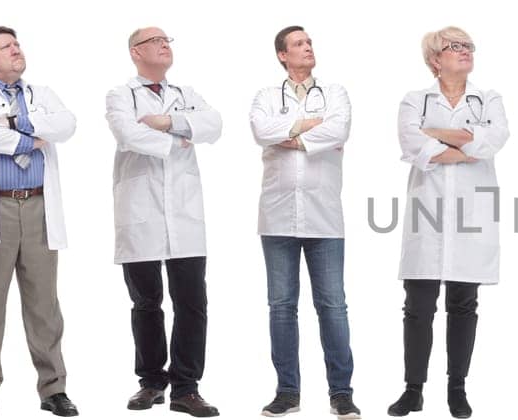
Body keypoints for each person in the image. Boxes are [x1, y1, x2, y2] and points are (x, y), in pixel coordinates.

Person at [0, 25, 79, 417]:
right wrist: (28, 136)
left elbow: (66, 125)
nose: (16, 50)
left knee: (44, 305)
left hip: (39, 207)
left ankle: (53, 389)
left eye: (17, 44)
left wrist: (10, 123)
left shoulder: (40, 94)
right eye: (6, 47)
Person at [387, 26, 509, 420]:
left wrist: (438, 137)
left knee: (464, 304)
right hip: (428, 213)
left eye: (468, 46)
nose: (464, 51)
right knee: (417, 307)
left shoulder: (489, 98)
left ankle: (457, 389)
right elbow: (412, 145)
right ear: (435, 60)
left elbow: (493, 141)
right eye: (454, 47)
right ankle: (413, 390)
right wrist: (464, 144)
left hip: (472, 214)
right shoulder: (414, 100)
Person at [105, 26, 223, 418]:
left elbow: (214, 125)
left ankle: (186, 388)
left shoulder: (186, 94)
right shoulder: (121, 95)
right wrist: (180, 133)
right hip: (140, 214)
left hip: (185, 216)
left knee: (192, 302)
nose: (164, 44)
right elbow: (128, 134)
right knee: (146, 302)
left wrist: (163, 122)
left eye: (167, 40)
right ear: (135, 52)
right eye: (156, 41)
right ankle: (152, 382)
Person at [247, 25, 359, 419]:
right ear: (282, 54)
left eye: (309, 42)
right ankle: (287, 392)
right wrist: (308, 127)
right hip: (277, 216)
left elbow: (339, 128)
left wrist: (289, 135)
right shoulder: (265, 96)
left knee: (333, 306)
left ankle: (341, 393)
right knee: (281, 307)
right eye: (298, 44)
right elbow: (262, 130)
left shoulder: (335, 94)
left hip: (324, 217)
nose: (307, 47)